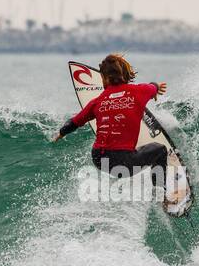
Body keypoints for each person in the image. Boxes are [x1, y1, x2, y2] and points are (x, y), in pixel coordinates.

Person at [52, 53, 182, 204]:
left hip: (99, 159)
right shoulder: (140, 91)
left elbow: (74, 122)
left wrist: (60, 134)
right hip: (124, 161)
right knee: (159, 150)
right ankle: (162, 196)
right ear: (125, 74)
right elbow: (153, 86)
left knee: (123, 150)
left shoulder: (98, 101)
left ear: (105, 78)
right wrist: (157, 87)